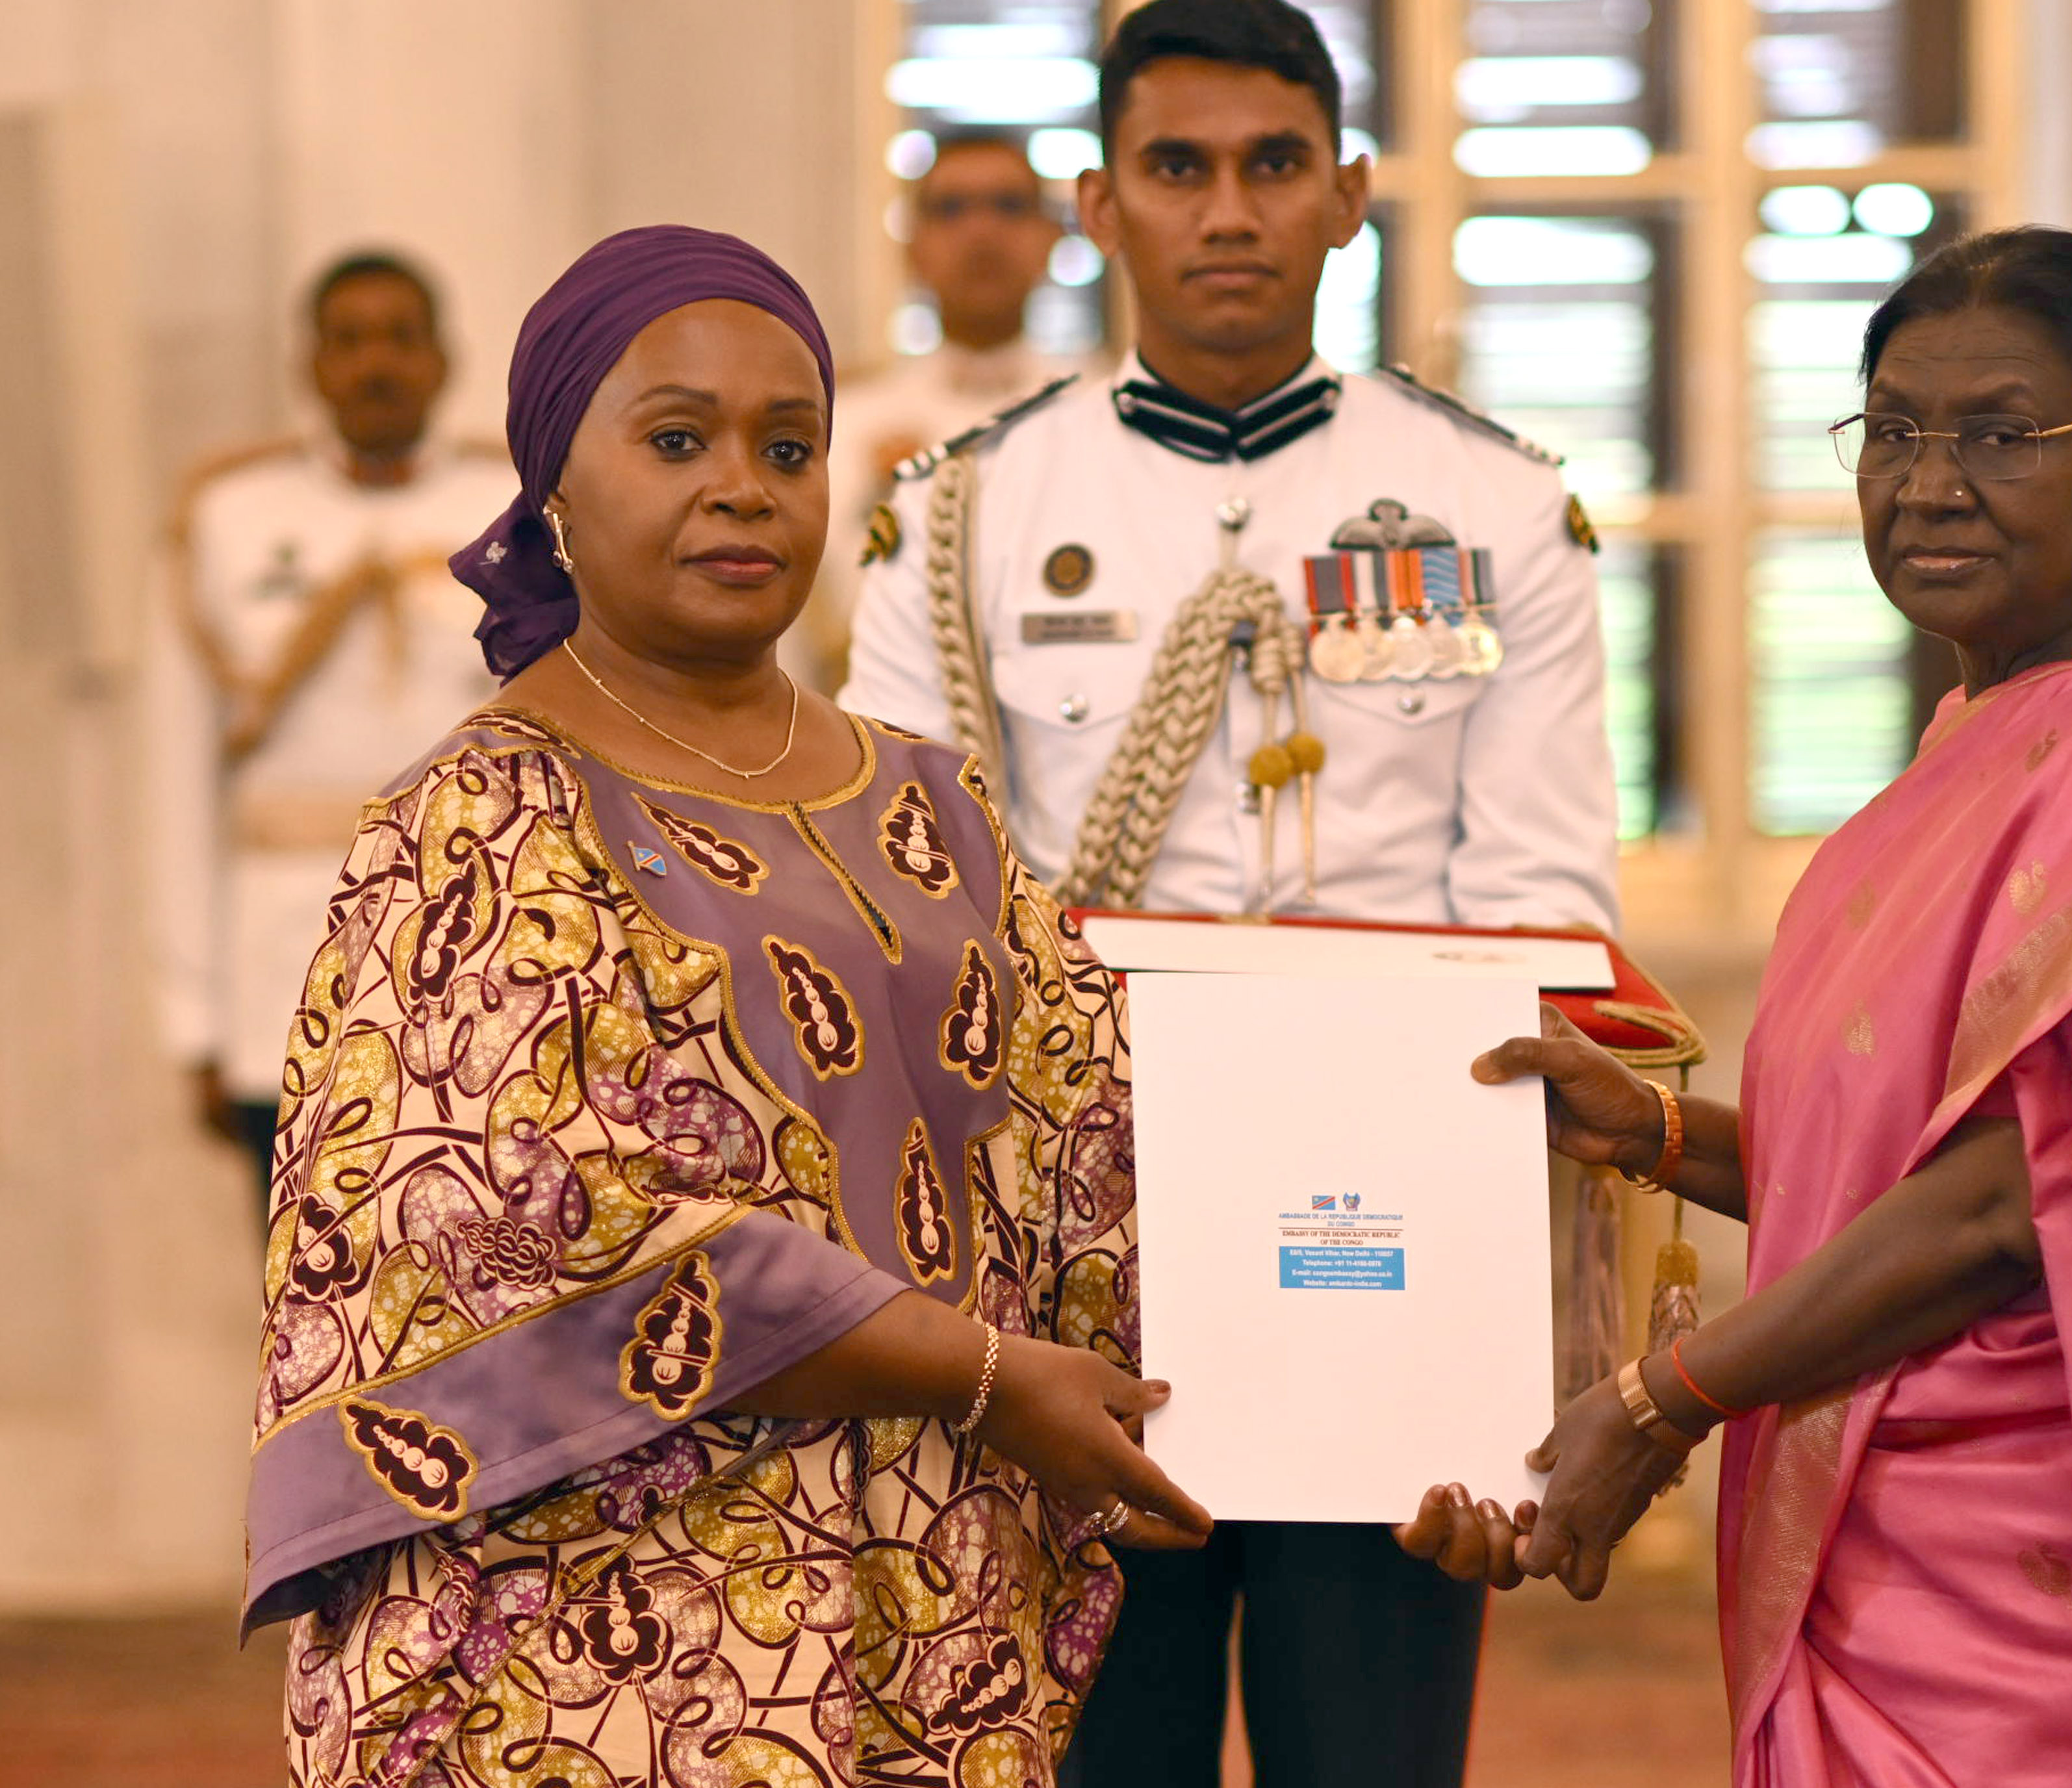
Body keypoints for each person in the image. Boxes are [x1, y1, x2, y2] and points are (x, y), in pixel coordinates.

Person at [1403, 226, 2072, 1786]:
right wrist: (1654, 1135)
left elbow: (2007, 1214)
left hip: (2031, 1586)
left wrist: (1656, 1402)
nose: (1926, 483)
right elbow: (1899, 1169)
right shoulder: (1985, 732)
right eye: (1889, 432)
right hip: (1867, 1538)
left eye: (1997, 434)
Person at [243, 225, 1209, 1788]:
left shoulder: (935, 799)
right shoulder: (481, 822)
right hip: (596, 1655)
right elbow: (512, 1221)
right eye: (676, 438)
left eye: (788, 444)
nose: (743, 485)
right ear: (554, 479)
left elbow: (1094, 1158)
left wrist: (1383, 1359)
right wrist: (969, 1370)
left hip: (929, 1609)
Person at [838, 1, 1618, 1780]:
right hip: (1084, 1271)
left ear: (1350, 195)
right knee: (1102, 1754)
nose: (1231, 213)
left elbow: (1540, 903)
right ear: (1099, 208)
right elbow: (910, 915)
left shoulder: (1491, 508)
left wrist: (1498, 1314)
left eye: (1275, 167)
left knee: (1371, 1751)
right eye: (1178, 170)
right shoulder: (959, 513)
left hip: (1392, 1244)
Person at [146, 251, 509, 1212]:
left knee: (482, 1294)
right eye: (348, 342)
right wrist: (196, 1018)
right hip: (286, 972)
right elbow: (179, 780)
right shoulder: (228, 518)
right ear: (309, 365)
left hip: (480, 956)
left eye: (401, 338)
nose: (374, 365)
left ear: (446, 360)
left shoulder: (514, 515)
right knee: (309, 1310)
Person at [810, 131, 1079, 683]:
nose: (982, 231)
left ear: (1052, 239)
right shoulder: (840, 426)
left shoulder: (1100, 414)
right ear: (911, 248)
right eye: (950, 209)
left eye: (1009, 206)